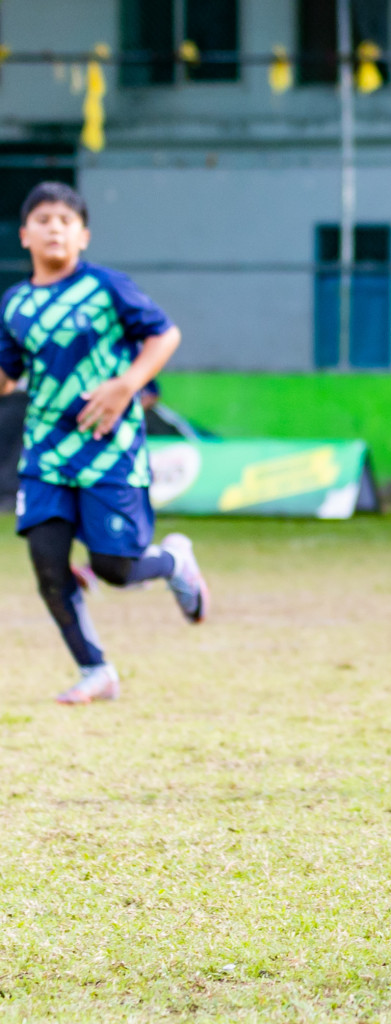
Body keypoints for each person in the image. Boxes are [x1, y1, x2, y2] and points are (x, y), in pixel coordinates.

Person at [0, 182, 209, 705]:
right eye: (43, 219)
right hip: (46, 452)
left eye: (65, 220)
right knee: (48, 563)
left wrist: (126, 385)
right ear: (24, 234)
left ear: (83, 235)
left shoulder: (107, 288)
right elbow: (6, 376)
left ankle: (175, 562)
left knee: (115, 568)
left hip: (107, 448)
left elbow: (166, 335)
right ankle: (96, 670)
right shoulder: (16, 303)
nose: (54, 227)